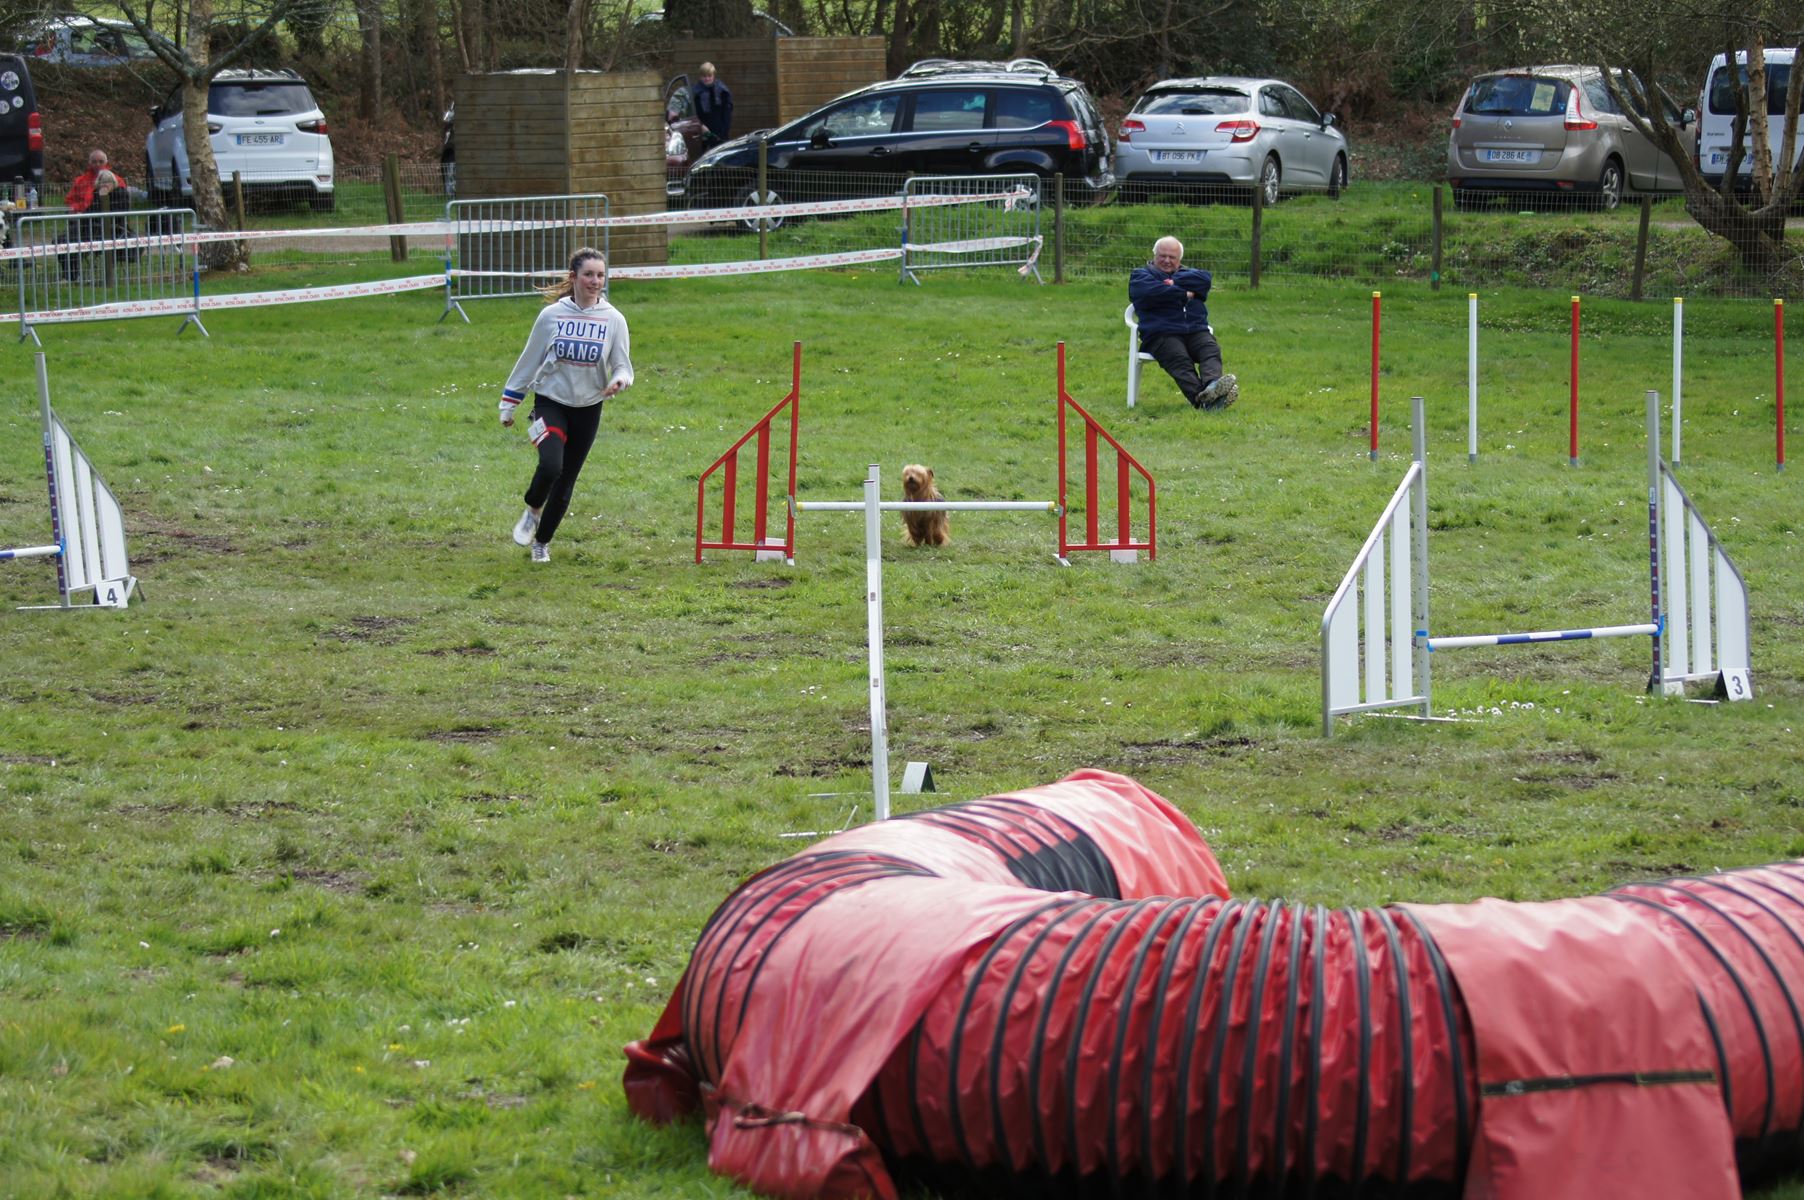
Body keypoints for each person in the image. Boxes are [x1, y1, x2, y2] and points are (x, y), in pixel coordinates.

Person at [498, 247, 633, 563]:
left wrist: (620, 381)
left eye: (600, 275)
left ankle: (541, 543)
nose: (595, 281)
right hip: (550, 402)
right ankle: (532, 509)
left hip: (588, 408)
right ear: (573, 277)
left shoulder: (613, 320)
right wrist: (509, 404)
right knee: (550, 466)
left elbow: (624, 365)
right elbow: (528, 361)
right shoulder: (551, 316)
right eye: (588, 274)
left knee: (566, 481)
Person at [1128, 235, 1238, 410]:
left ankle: (1213, 386)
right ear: (1154, 255)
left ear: (1179, 260)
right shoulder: (1140, 276)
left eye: (1172, 257)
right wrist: (1183, 293)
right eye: (1162, 256)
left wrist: (1173, 282)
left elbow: (1205, 280)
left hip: (1195, 330)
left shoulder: (1190, 274)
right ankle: (1203, 401)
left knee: (1210, 349)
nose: (1166, 260)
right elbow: (1151, 293)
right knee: (1179, 360)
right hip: (1161, 334)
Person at [59, 149, 129, 281]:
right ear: (89, 163)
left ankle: (107, 276)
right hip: (85, 225)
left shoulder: (118, 183)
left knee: (72, 239)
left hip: (108, 229)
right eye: (94, 162)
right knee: (61, 241)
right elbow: (70, 202)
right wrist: (76, 210)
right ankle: (70, 276)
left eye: (101, 161)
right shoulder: (81, 181)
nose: (98, 164)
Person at [692, 62, 734, 147]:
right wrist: (701, 126)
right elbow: (693, 113)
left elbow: (727, 114)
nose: (707, 79)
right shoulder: (695, 92)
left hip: (719, 132)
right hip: (701, 132)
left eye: (709, 76)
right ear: (700, 76)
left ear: (713, 75)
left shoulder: (722, 91)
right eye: (704, 76)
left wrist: (723, 134)